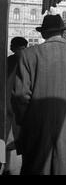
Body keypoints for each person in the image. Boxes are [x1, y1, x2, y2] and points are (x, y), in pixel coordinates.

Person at [11, 14, 66, 175]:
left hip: (36, 127)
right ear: (62, 32)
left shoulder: (28, 55)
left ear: (43, 34)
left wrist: (26, 121)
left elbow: (20, 96)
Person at [3, 37, 28, 175]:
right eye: (19, 49)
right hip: (15, 109)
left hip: (12, 109)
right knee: (16, 140)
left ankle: (5, 167)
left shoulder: (7, 62)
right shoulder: (25, 62)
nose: (20, 52)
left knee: (5, 141)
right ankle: (7, 167)